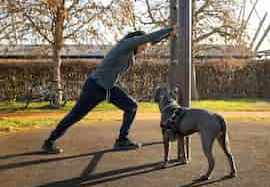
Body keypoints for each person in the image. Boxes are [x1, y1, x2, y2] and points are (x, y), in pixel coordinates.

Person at [42, 25, 179, 154]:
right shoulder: (126, 44)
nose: (145, 49)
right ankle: (49, 142)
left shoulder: (132, 50)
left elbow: (151, 41)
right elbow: (149, 38)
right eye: (144, 46)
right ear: (138, 41)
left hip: (107, 87)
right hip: (95, 86)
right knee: (75, 116)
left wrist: (168, 35)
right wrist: (170, 28)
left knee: (131, 106)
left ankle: (122, 140)